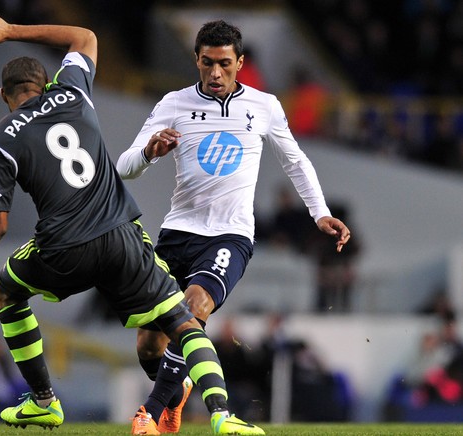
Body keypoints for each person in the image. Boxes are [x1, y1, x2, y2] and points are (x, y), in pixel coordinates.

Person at [0, 8, 264, 435]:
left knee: (5, 289)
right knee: (183, 321)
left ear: (5, 96)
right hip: (122, 236)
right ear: (45, 84)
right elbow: (84, 35)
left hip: (64, 248)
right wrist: (11, 31)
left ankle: (43, 401)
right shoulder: (72, 91)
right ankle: (224, 416)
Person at [116, 19, 351, 434]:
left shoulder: (264, 106)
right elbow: (124, 166)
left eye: (224, 63)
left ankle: (149, 415)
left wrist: (319, 212)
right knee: (150, 345)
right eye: (207, 63)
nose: (215, 73)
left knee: (194, 308)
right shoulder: (173, 102)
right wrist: (150, 152)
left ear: (240, 62)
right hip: (177, 233)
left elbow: (295, 160)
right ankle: (178, 389)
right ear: (197, 60)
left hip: (230, 235)